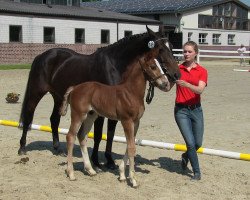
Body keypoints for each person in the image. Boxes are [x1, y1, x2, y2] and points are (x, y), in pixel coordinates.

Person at [174, 41, 208, 180]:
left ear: (195, 53)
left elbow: (200, 90)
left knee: (197, 143)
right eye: (185, 51)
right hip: (181, 111)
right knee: (190, 143)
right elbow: (167, 86)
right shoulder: (177, 69)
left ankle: (185, 155)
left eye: (189, 52)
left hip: (196, 110)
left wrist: (186, 84)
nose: (186, 54)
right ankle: (196, 172)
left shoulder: (202, 71)